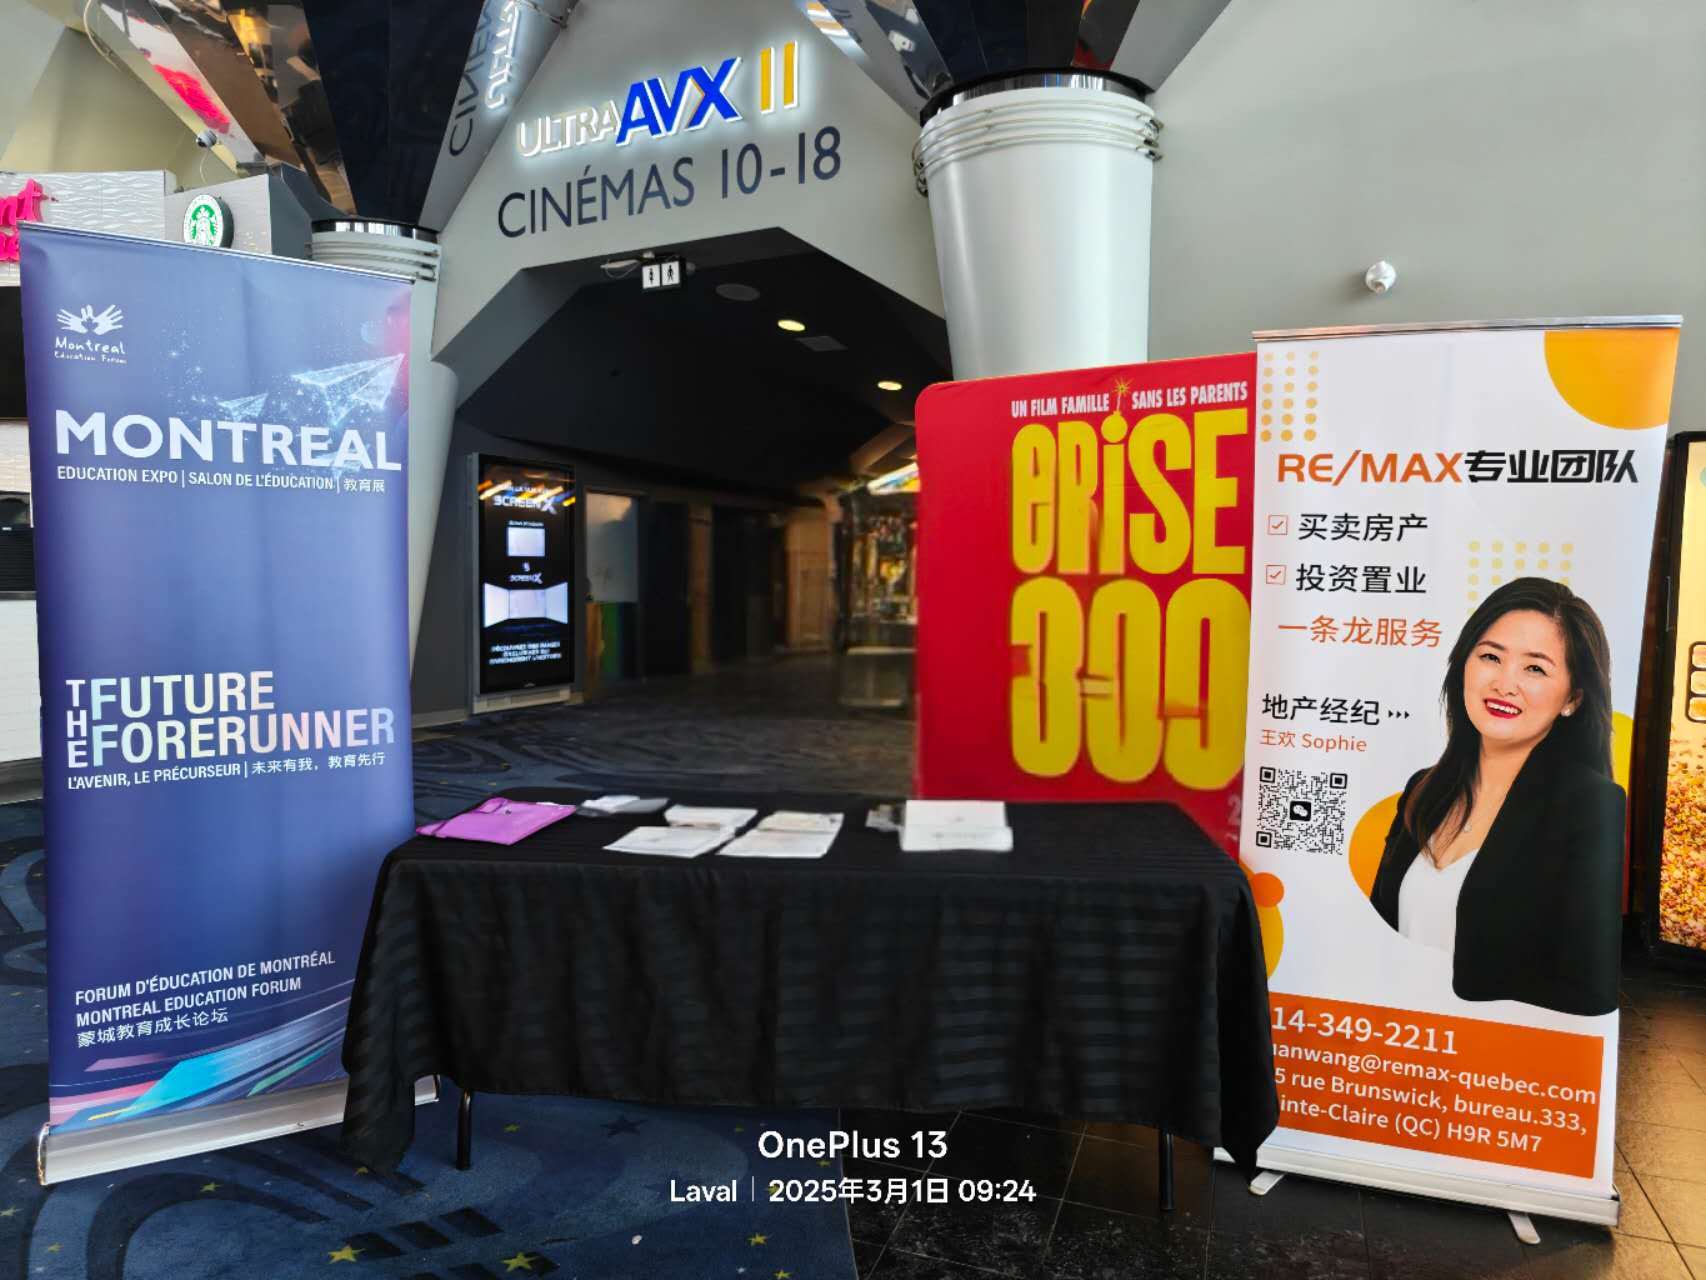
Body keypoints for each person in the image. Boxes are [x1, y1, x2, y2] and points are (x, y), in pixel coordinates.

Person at [1368, 577, 1623, 1016]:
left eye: (1535, 668)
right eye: (1490, 657)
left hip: (1497, 1051)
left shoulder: (1590, 807)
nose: (1505, 684)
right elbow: (1377, 938)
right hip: (1397, 1043)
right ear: (1463, 665)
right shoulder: (1424, 789)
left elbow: (1588, 991)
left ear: (1573, 698)